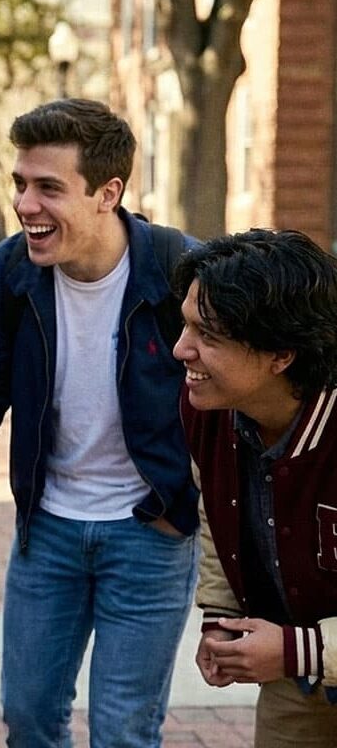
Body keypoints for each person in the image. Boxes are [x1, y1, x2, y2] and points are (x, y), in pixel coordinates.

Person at [0, 98, 200, 747]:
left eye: (48, 188)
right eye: (20, 183)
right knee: (30, 718)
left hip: (151, 531)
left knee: (124, 730)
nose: (24, 204)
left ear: (107, 192)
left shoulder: (180, 273)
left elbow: (239, 394)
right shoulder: (9, 273)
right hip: (50, 529)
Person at [172, 229, 337, 746]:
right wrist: (221, 615)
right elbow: (215, 512)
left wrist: (299, 650)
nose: (182, 350)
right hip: (300, 680)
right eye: (185, 325)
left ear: (281, 354)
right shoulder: (208, 410)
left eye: (208, 335)